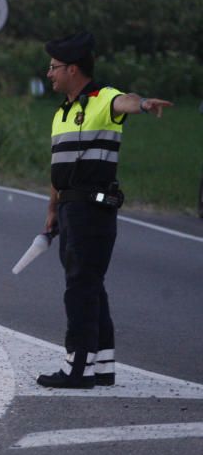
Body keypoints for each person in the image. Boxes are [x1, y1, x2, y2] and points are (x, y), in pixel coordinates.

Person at [37, 31, 173, 389]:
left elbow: (125, 101)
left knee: (79, 288)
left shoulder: (101, 98)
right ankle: (103, 366)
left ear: (73, 69)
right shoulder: (62, 114)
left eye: (53, 67)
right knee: (89, 284)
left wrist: (143, 105)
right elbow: (58, 169)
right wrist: (51, 209)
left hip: (92, 208)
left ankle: (76, 368)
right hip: (69, 208)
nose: (48, 73)